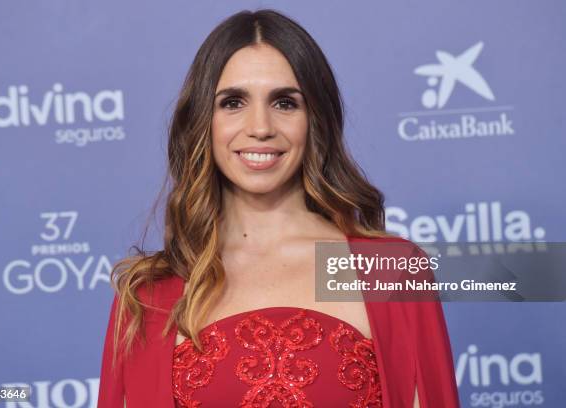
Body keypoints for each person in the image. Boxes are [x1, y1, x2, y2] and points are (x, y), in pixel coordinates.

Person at [97, 9, 459, 408]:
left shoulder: (388, 270)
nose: (260, 127)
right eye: (233, 102)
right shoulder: (149, 294)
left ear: (315, 119)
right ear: (202, 121)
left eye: (285, 103)